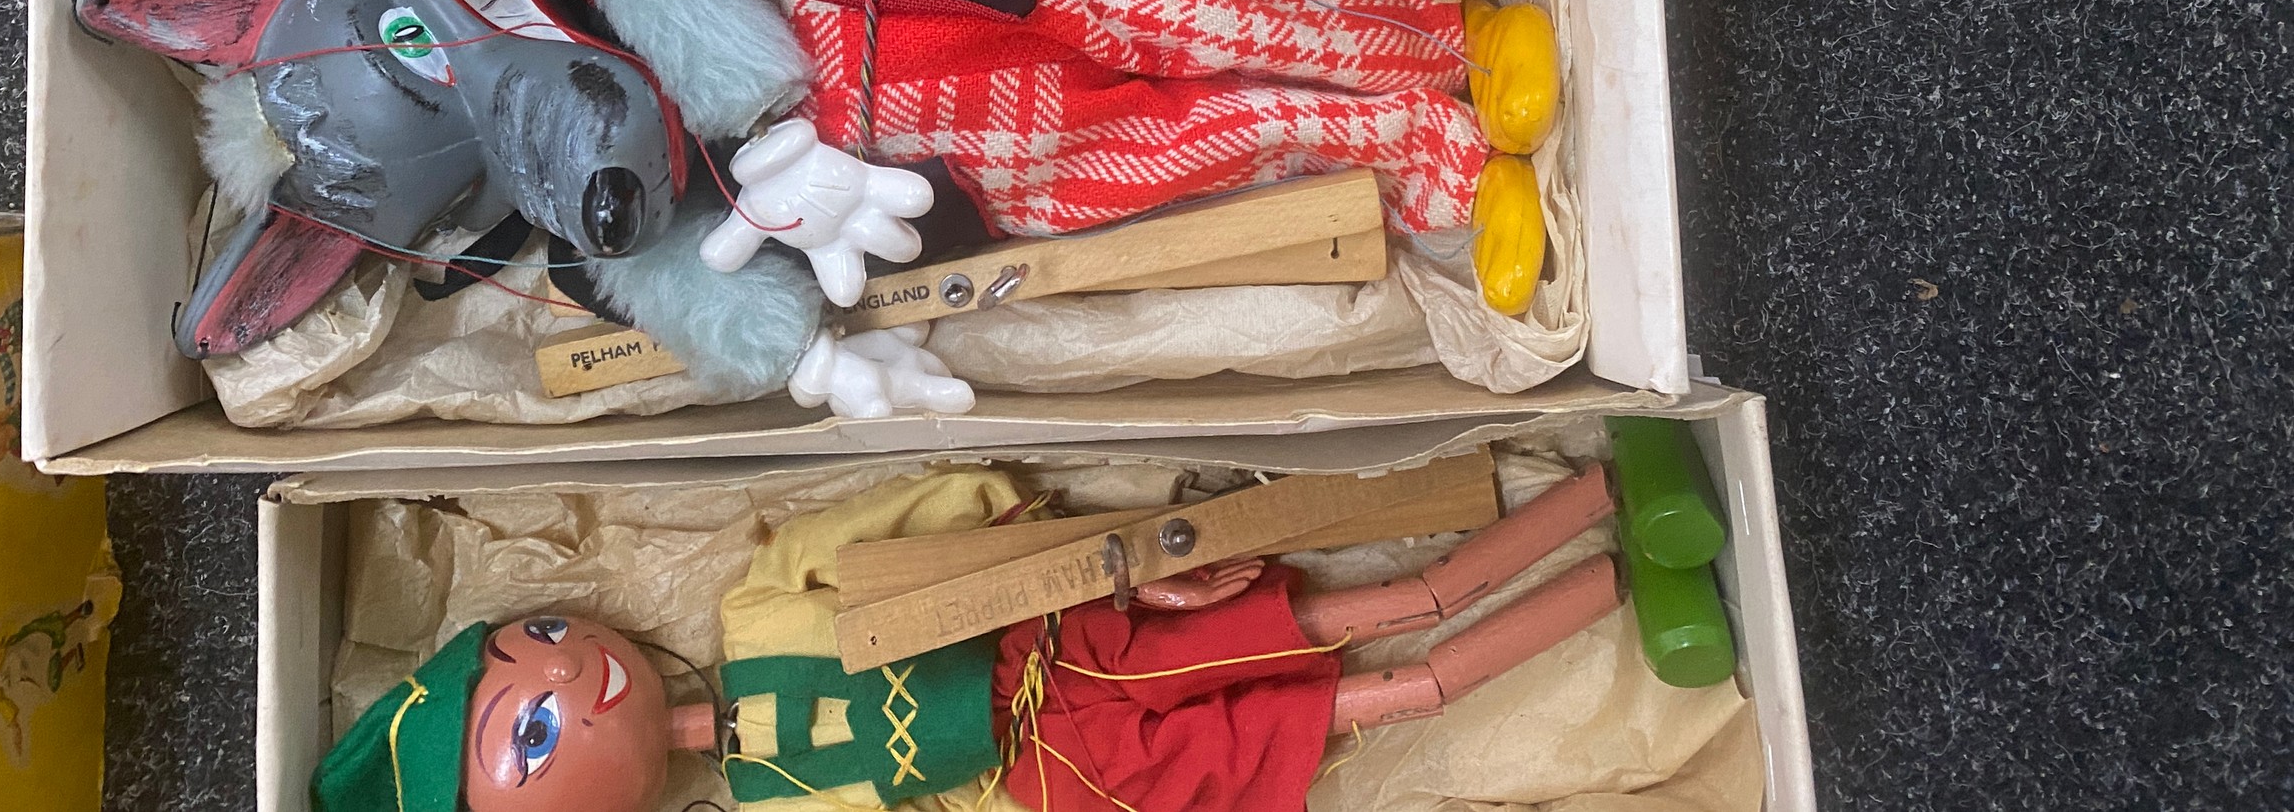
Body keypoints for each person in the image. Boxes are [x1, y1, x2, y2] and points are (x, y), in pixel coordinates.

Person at [313, 466, 1622, 812]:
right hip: (1057, 774)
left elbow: (922, 523)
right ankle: (1624, 582)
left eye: (537, 637)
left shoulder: (761, 602)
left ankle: (1609, 495)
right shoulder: (779, 809)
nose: (571, 673)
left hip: (1062, 645)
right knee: (1373, 701)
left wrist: (1088, 557)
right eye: (534, 730)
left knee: (1384, 607)